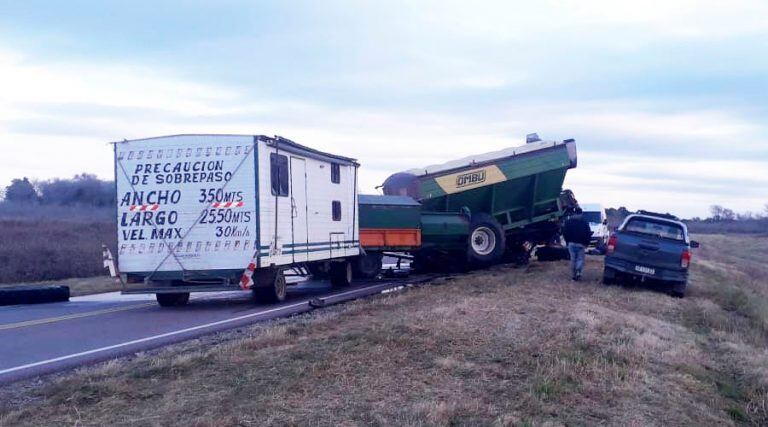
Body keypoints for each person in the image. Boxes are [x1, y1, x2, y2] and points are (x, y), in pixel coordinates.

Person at [562, 207, 592, 281]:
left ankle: (573, 276)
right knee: (580, 259)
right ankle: (578, 271)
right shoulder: (584, 222)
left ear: (574, 213)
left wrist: (567, 241)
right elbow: (588, 233)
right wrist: (587, 243)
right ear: (581, 213)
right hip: (581, 244)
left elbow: (565, 232)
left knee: (572, 259)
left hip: (571, 243)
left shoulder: (568, 221)